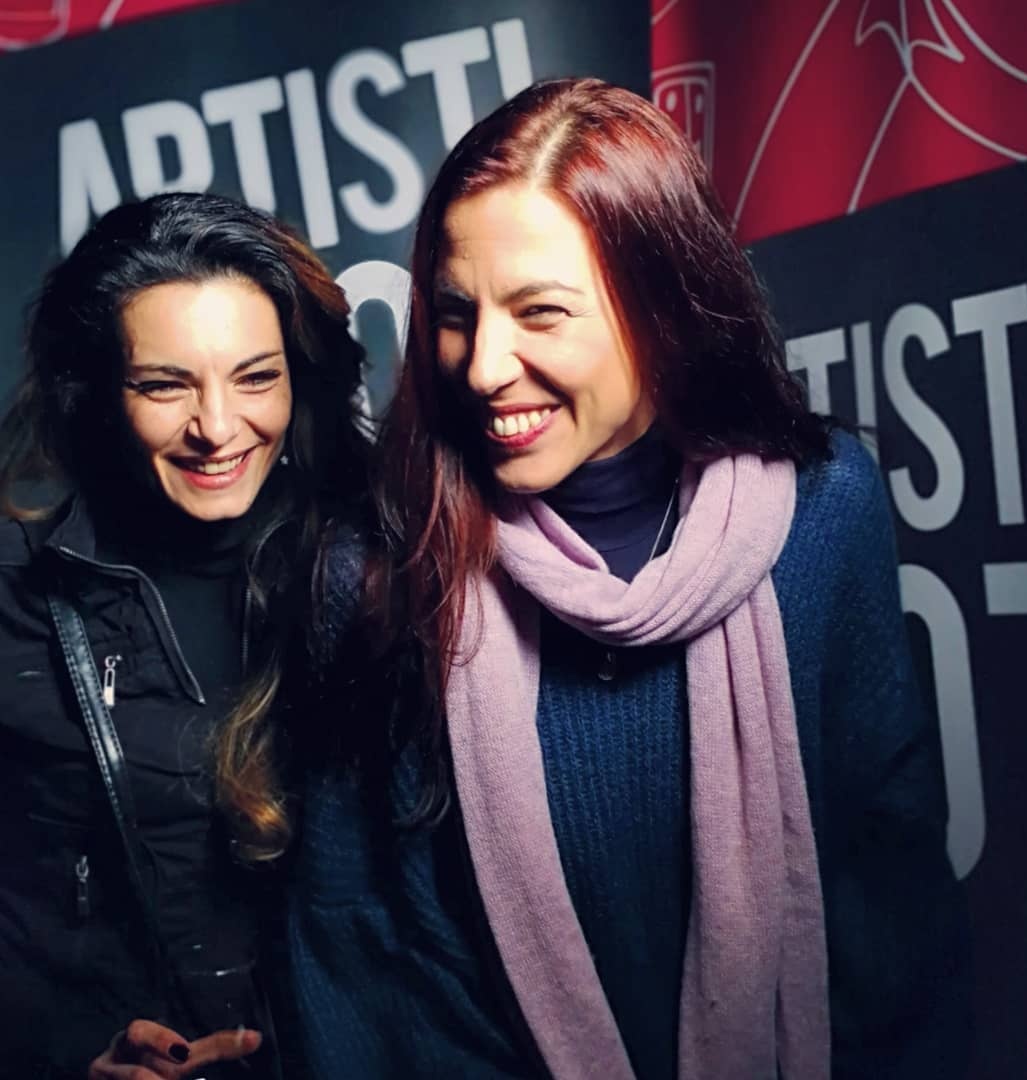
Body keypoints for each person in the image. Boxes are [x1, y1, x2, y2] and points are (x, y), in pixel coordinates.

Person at [287, 78, 971, 1079]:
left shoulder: (825, 509)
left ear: (664, 309)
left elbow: (891, 868)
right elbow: (362, 943)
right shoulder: (376, 562)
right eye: (457, 314)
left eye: (540, 313)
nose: (482, 366)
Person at [0, 192, 368, 1078]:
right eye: (165, 385)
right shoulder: (19, 589)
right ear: (100, 393)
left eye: (256, 377)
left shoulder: (374, 561)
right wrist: (67, 1058)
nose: (217, 428)